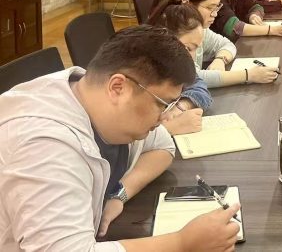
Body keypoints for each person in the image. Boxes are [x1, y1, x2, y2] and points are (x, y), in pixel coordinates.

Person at [0, 25, 240, 251]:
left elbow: (163, 146)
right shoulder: (43, 147)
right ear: (118, 87)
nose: (164, 117)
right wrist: (181, 243)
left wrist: (119, 195)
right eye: (162, 104)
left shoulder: (99, 103)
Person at [149, 0, 279, 88]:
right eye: (210, 7)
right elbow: (194, 78)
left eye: (217, 7)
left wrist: (220, 59)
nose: (215, 13)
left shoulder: (196, 29)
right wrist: (248, 75)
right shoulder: (158, 66)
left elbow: (227, 44)